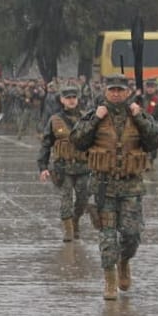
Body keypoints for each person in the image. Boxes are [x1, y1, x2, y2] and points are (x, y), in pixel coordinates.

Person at [70, 76, 158, 300]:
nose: (115, 94)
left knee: (131, 235)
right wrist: (95, 120)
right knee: (108, 238)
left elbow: (156, 140)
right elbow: (77, 141)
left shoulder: (137, 114)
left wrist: (139, 115)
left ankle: (124, 261)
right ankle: (110, 281)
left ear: (127, 92)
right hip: (104, 186)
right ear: (105, 91)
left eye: (119, 90)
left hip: (131, 186)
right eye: (111, 90)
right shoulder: (95, 115)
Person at [37, 85, 91, 242]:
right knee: (66, 198)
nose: (71, 101)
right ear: (62, 100)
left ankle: (75, 220)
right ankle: (68, 231)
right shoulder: (55, 120)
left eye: (74, 97)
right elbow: (46, 144)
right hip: (63, 167)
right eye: (68, 98)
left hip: (83, 166)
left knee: (83, 199)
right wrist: (43, 167)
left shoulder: (86, 118)